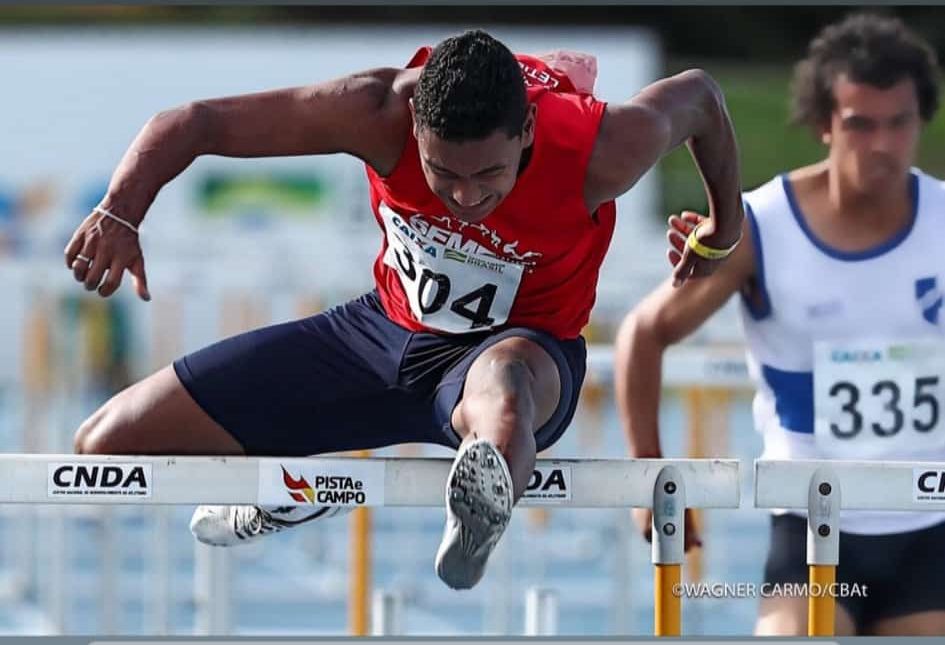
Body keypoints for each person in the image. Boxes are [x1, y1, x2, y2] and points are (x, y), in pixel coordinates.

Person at [66, 29, 744, 591]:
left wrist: (724, 229)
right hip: (376, 334)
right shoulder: (372, 109)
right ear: (413, 123)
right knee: (104, 445)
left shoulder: (604, 146)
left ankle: (479, 506)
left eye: (489, 176)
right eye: (442, 173)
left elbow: (703, 99)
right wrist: (119, 210)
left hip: (518, 348)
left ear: (528, 129)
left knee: (501, 398)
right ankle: (292, 484)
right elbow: (193, 123)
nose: (466, 197)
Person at [616, 13, 945, 635]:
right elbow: (643, 332)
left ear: (921, 120)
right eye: (861, 124)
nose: (883, 143)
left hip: (931, 521)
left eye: (900, 123)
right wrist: (647, 478)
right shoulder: (760, 227)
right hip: (810, 516)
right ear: (825, 125)